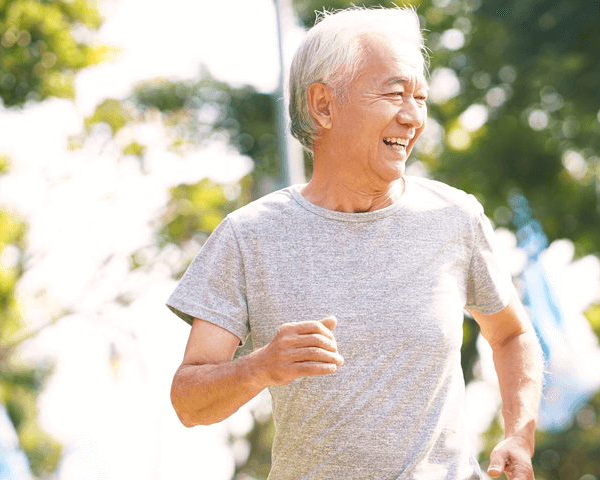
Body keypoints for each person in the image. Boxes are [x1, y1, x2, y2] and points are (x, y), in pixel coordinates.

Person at [166, 7, 543, 480]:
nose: (413, 118)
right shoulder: (250, 235)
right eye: (393, 94)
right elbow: (189, 400)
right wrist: (260, 367)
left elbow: (512, 334)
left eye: (420, 97)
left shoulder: (456, 217)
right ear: (324, 105)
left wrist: (519, 435)